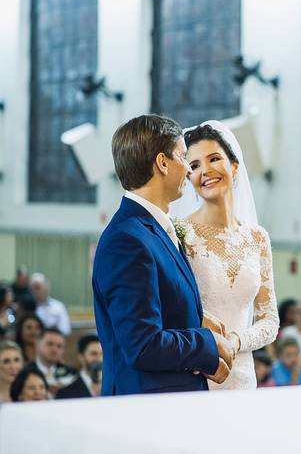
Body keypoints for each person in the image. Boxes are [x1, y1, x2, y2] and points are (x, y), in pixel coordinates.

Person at [93, 114, 234, 395]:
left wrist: (194, 316)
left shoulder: (151, 229)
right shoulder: (127, 240)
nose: (189, 169)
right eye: (183, 156)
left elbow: (161, 305)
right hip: (146, 406)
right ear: (163, 163)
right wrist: (208, 343)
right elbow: (143, 345)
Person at [170, 122, 279, 390]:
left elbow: (269, 320)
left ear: (234, 165)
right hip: (197, 371)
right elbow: (173, 308)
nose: (205, 171)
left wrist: (236, 342)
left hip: (243, 374)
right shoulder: (179, 233)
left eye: (214, 159)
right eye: (194, 166)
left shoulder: (257, 237)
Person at [29, 328, 76, 397]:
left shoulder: (71, 373)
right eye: (50, 344)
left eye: (59, 346)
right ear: (37, 344)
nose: (54, 349)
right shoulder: (26, 372)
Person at [57, 334, 103, 399]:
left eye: (102, 354)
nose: (99, 359)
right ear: (81, 357)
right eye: (94, 354)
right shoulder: (66, 392)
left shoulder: (114, 385)